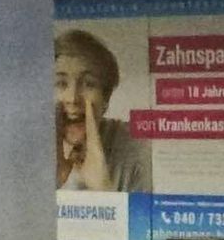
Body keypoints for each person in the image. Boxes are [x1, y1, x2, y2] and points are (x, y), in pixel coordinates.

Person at [52, 26, 152, 193]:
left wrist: (103, 189)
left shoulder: (138, 149)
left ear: (106, 98)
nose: (72, 98)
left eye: (88, 84)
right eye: (60, 83)